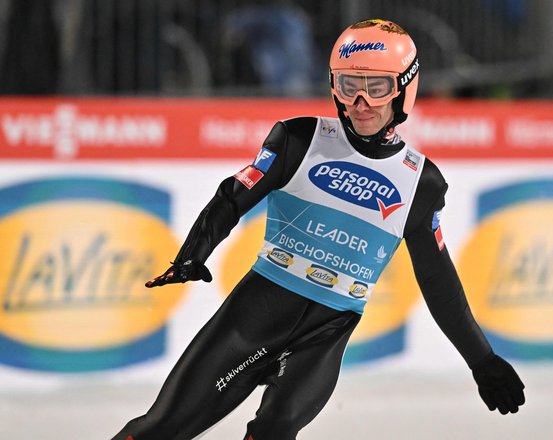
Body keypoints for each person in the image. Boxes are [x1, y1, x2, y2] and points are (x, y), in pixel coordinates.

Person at [112, 18, 525, 440]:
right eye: (348, 86)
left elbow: (437, 280)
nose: (360, 102)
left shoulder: (421, 182)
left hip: (322, 338)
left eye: (376, 88)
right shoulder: (299, 138)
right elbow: (233, 196)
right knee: (160, 429)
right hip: (250, 320)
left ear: (405, 90)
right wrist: (193, 252)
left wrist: (482, 359)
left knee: (276, 428)